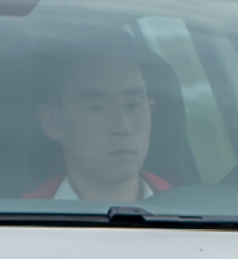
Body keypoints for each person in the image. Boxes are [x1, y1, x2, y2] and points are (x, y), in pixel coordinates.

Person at [19, 47, 174, 201]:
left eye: (133, 105)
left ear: (150, 110)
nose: (122, 127)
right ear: (53, 122)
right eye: (97, 108)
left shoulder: (183, 205)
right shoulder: (21, 214)